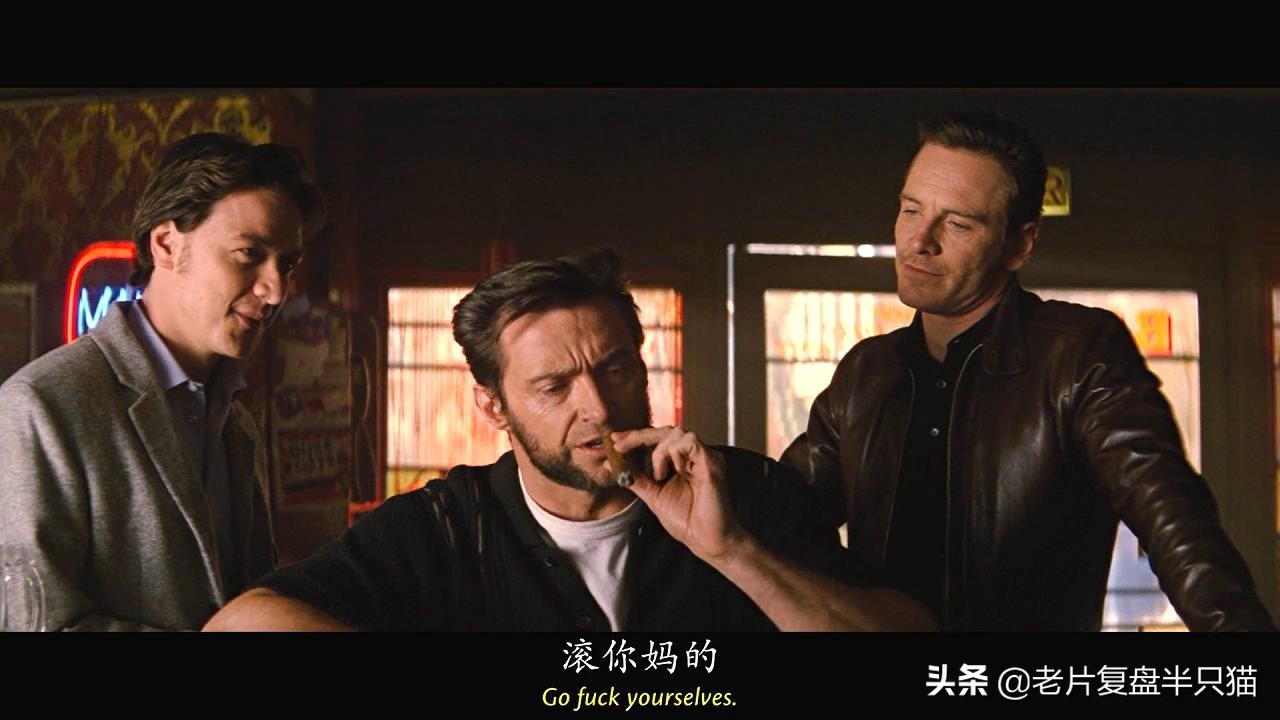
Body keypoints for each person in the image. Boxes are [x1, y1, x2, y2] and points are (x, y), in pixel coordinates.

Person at [206, 249, 932, 631]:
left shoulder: (744, 491)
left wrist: (732, 552)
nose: (599, 407)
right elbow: (242, 625)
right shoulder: (447, 526)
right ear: (493, 407)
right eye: (554, 387)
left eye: (615, 369)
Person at [782, 111, 1275, 631]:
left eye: (957, 224)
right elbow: (782, 513)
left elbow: (1176, 524)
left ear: (1019, 245)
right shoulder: (867, 372)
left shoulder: (1077, 354)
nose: (919, 241)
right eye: (910, 211)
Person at [0, 132, 325, 630]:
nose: (276, 289)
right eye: (249, 252)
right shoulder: (39, 407)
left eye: (287, 263)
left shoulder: (239, 426)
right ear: (167, 244)